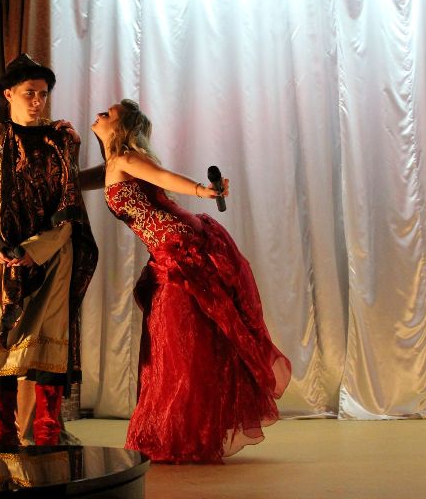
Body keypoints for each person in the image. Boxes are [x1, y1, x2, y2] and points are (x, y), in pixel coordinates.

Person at [89, 99, 291, 463]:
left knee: (177, 344)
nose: (101, 113)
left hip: (182, 252)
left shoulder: (127, 159)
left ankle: (181, 435)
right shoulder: (113, 164)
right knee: (180, 342)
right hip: (171, 252)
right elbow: (74, 181)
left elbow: (165, 178)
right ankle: (188, 432)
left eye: (110, 113)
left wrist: (202, 190)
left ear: (121, 128)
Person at [0, 54, 97, 446]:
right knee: (0, 340)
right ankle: (2, 432)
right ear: (9, 94)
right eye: (29, 93)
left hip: (52, 254)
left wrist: (36, 249)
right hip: (5, 255)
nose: (37, 101)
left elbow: (69, 206)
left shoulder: (59, 140)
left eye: (43, 94)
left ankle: (48, 429)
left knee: (50, 341)